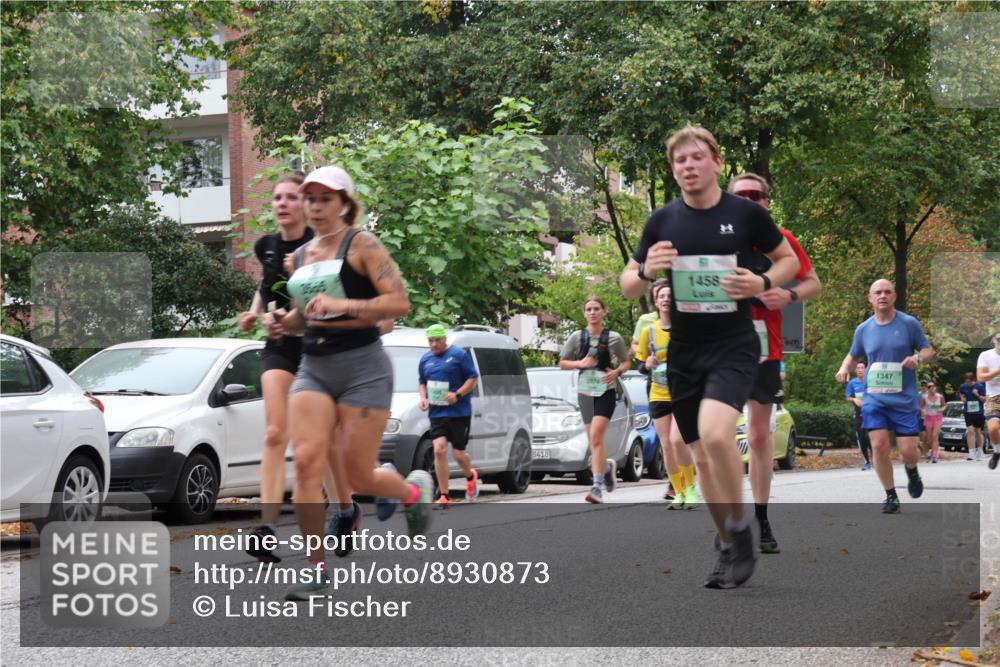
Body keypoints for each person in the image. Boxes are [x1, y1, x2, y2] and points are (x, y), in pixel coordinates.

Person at [620, 124, 800, 589]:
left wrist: (761, 284)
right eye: (680, 161)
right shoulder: (662, 222)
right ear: (673, 169)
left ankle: (739, 525)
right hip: (684, 352)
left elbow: (789, 263)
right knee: (699, 459)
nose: (688, 166)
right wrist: (644, 268)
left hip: (734, 345)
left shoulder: (744, 215)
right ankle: (729, 541)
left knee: (718, 435)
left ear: (717, 162)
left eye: (697, 157)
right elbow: (627, 285)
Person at [263, 165, 432, 600]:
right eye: (310, 199)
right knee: (306, 462)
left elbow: (399, 303)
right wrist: (286, 323)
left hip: (363, 367)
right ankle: (316, 569)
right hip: (315, 368)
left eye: (325, 199)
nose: (315, 207)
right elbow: (307, 318)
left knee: (358, 475)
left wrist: (343, 303)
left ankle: (412, 490)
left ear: (344, 203)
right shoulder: (300, 258)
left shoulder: (363, 244)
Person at [238, 173, 353, 563]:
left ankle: (345, 509)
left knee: (321, 443)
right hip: (279, 347)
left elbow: (333, 298)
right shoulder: (266, 246)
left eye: (291, 197)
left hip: (318, 348)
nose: (283, 203)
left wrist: (303, 270)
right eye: (277, 197)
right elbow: (265, 285)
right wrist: (254, 314)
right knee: (274, 432)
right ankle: (267, 527)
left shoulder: (321, 247)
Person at [729, 172, 822, 555]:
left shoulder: (780, 240)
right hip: (721, 345)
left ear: (767, 201)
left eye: (755, 195)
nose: (749, 201)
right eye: (740, 196)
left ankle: (761, 517)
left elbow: (813, 282)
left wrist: (786, 294)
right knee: (714, 435)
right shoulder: (717, 238)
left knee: (758, 434)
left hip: (765, 348)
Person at [835, 279, 934, 514]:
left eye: (887, 291)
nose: (882, 295)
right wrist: (843, 368)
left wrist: (918, 359)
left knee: (908, 451)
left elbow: (928, 350)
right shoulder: (863, 329)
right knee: (878, 445)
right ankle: (891, 495)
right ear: (870, 298)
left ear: (894, 296)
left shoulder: (909, 324)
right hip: (874, 398)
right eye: (877, 292)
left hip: (904, 398)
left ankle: (912, 470)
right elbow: (852, 355)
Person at [559, 296, 631, 504]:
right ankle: (606, 467)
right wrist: (579, 363)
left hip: (605, 391)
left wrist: (617, 371)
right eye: (588, 309)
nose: (592, 312)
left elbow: (626, 362)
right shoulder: (576, 337)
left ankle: (596, 487)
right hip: (585, 392)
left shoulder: (614, 338)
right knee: (593, 440)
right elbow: (563, 363)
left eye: (596, 309)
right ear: (584, 313)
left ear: (604, 312)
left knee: (597, 437)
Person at [636, 281, 699, 509]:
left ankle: (691, 488)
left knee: (677, 441)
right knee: (666, 445)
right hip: (658, 393)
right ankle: (679, 492)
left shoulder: (686, 330)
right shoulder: (648, 331)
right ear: (656, 301)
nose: (665, 299)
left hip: (682, 394)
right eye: (661, 296)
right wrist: (648, 363)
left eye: (670, 295)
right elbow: (641, 366)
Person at [418, 324, 481, 508]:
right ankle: (444, 495)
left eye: (438, 340)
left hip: (459, 412)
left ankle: (470, 475)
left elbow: (473, 378)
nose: (435, 344)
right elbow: (422, 382)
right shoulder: (425, 359)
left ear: (445, 339)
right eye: (431, 341)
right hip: (437, 412)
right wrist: (423, 398)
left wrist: (457, 395)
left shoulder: (459, 355)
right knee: (438, 450)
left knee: (459, 454)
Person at [977, 330, 1000, 470]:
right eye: (999, 339)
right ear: (994, 340)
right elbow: (981, 377)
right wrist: (997, 371)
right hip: (994, 396)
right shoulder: (986, 356)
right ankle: (997, 451)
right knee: (992, 428)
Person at [845, 361, 873, 470]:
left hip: (871, 414)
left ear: (865, 370)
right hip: (858, 414)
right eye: (858, 368)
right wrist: (853, 399)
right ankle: (866, 462)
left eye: (862, 367)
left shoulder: (870, 382)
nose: (860, 369)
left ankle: (875, 458)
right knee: (862, 438)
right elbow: (848, 397)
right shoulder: (852, 383)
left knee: (870, 437)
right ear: (856, 370)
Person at [958, 372, 987, 460]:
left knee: (978, 431)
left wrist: (977, 395)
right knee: (970, 431)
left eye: (969, 382)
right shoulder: (963, 386)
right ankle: (971, 452)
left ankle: (980, 451)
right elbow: (961, 394)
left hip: (978, 412)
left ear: (973, 380)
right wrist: (962, 399)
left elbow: (985, 399)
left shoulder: (980, 387)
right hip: (968, 412)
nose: (968, 384)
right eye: (966, 382)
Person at [920, 382, 944, 463]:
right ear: (927, 388)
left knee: (935, 436)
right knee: (929, 438)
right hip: (928, 418)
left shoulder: (940, 396)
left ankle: (935, 455)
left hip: (938, 418)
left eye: (933, 386)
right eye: (930, 387)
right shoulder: (925, 397)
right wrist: (924, 411)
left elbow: (944, 405)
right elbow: (921, 407)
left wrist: (942, 409)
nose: (932, 388)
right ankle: (930, 452)